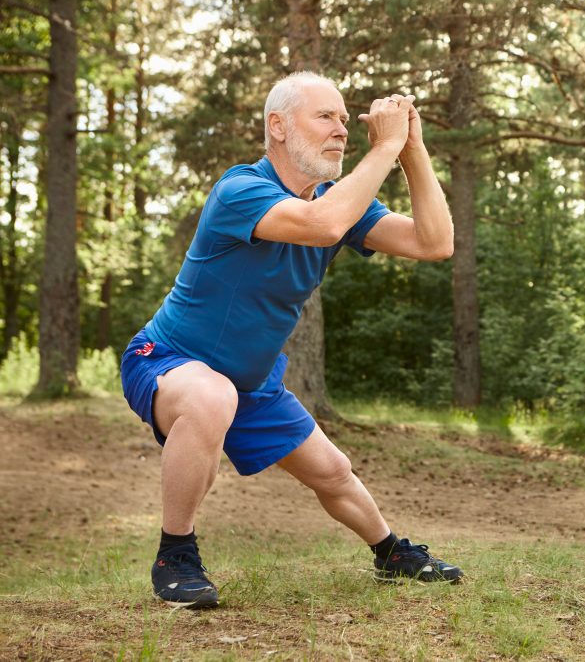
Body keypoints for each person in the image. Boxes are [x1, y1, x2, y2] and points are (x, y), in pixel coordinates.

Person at [120, 71, 461, 609]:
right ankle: (176, 554)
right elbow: (322, 224)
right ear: (277, 126)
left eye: (346, 118)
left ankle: (392, 554)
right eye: (325, 116)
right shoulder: (241, 190)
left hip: (252, 383)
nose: (343, 129)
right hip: (167, 361)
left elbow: (435, 241)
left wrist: (411, 151)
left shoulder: (338, 203)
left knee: (333, 472)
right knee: (212, 396)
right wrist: (387, 145)